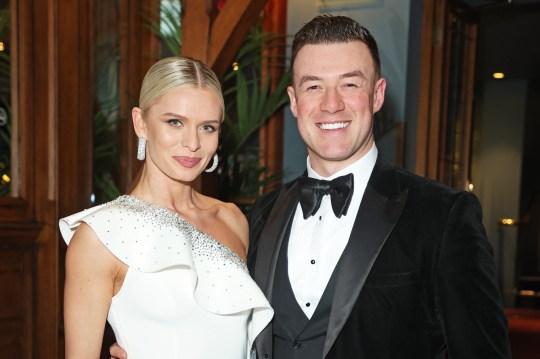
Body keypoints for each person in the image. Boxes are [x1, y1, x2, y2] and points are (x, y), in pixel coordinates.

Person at [247, 15, 511, 358]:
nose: (331, 104)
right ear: (294, 101)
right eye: (314, 86)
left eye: (350, 84)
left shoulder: (443, 215)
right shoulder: (262, 214)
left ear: (377, 95)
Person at [60, 56, 273, 359]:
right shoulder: (100, 236)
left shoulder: (233, 220)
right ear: (141, 122)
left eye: (208, 127)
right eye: (175, 122)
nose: (192, 143)